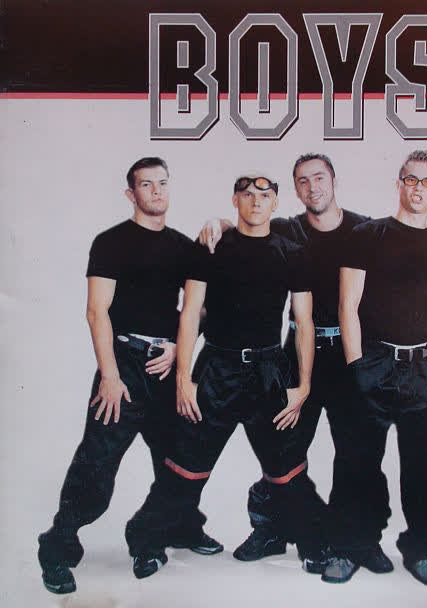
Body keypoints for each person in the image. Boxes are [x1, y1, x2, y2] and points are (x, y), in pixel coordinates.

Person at [199, 154, 394, 574]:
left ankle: (361, 540)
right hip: (298, 353)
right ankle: (271, 530)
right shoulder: (287, 229)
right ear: (294, 189)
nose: (312, 187)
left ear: (334, 180)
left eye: (319, 178)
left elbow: (404, 252)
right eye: (302, 181)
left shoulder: (364, 230)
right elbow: (248, 229)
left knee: (359, 452)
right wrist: (219, 222)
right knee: (281, 449)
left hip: (350, 353)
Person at [126, 173, 327, 578]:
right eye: (247, 194)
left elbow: (304, 323)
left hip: (269, 371)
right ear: (235, 201)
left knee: (287, 467)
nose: (256, 201)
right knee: (186, 464)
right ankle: (146, 543)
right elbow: (189, 314)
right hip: (216, 369)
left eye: (264, 195)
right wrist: (184, 379)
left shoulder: (292, 253)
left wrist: (303, 386)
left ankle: (313, 545)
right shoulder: (211, 248)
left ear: (275, 203)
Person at [37, 158, 220, 595]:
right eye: (146, 184)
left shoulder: (183, 247)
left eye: (162, 183)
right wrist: (110, 376)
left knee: (179, 457)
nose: (156, 191)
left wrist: (177, 348)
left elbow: (201, 309)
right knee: (96, 463)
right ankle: (58, 546)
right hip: (124, 366)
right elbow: (96, 311)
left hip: (166, 366)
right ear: (130, 193)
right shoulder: (111, 242)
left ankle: (179, 527)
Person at [325, 150, 427, 586]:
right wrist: (356, 367)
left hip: (422, 368)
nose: (419, 189)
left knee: (423, 467)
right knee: (357, 462)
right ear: (399, 183)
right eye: (412, 180)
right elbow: (348, 306)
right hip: (374, 362)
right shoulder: (367, 235)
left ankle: (421, 551)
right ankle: (350, 547)